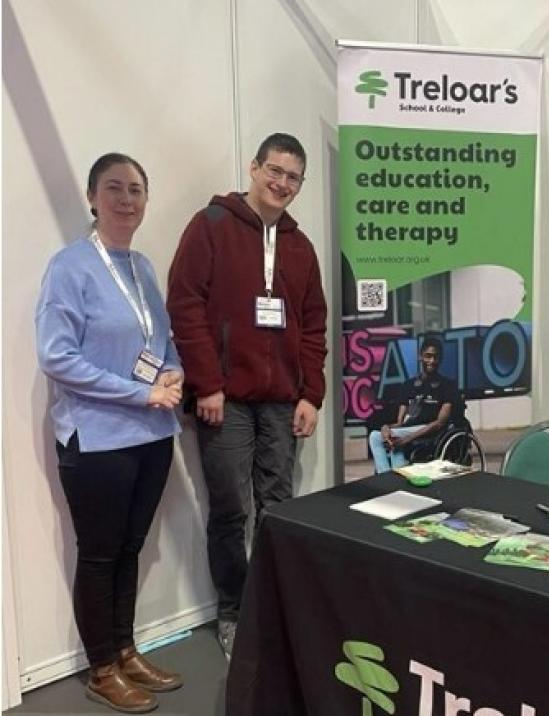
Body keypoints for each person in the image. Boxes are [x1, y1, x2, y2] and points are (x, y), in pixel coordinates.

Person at [166, 133, 327, 660]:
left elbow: (313, 327)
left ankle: (274, 608)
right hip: (226, 401)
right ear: (254, 168)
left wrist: (312, 395)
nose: (281, 183)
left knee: (277, 507)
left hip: (283, 401)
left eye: (293, 178)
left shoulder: (301, 248)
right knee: (232, 509)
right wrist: (207, 383)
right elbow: (185, 306)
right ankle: (233, 612)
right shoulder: (211, 226)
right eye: (274, 171)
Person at [36, 153, 184, 713]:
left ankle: (125, 649)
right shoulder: (69, 267)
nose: (127, 199)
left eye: (137, 190)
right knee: (99, 556)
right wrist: (139, 392)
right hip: (96, 440)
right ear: (93, 199)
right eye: (115, 188)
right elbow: (57, 357)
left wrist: (173, 374)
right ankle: (101, 667)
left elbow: (163, 343)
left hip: (151, 434)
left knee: (131, 548)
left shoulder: (143, 269)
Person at [369, 336, 458, 473]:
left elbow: (440, 423)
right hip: (406, 429)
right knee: (377, 436)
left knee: (393, 437)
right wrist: (386, 427)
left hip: (430, 430)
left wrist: (407, 438)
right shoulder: (408, 386)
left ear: (440, 359)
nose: (432, 361)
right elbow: (400, 422)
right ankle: (390, 475)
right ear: (420, 357)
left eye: (436, 357)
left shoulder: (447, 386)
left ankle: (390, 478)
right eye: (428, 356)